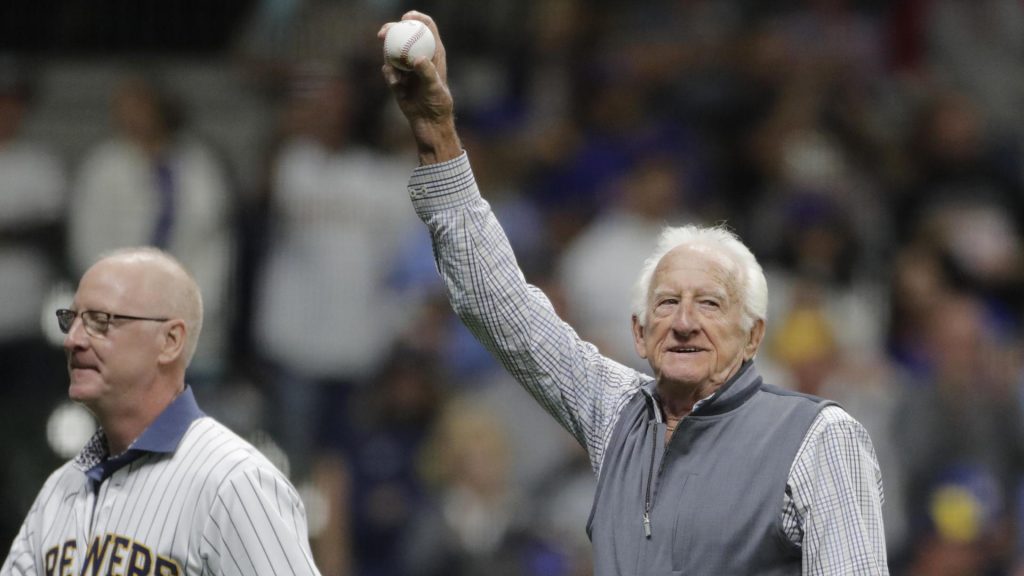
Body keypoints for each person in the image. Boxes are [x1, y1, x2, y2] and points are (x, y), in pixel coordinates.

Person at [378, 12, 888, 575]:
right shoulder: (615, 415)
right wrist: (436, 132)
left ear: (754, 337)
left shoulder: (818, 437)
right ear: (639, 334)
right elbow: (498, 305)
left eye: (712, 304)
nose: (685, 322)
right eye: (667, 303)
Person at [0, 248, 321, 576]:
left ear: (170, 341)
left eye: (100, 321)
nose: (73, 339)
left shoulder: (234, 481)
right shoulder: (61, 488)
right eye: (72, 320)